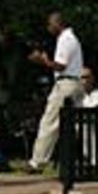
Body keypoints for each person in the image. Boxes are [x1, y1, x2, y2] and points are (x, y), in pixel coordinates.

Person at [26, 12, 85, 172]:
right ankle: (91, 158)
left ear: (58, 23)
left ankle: (37, 162)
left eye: (51, 24)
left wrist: (43, 60)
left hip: (65, 83)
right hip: (75, 82)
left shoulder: (65, 39)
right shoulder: (71, 38)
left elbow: (60, 66)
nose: (49, 27)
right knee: (76, 125)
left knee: (49, 122)